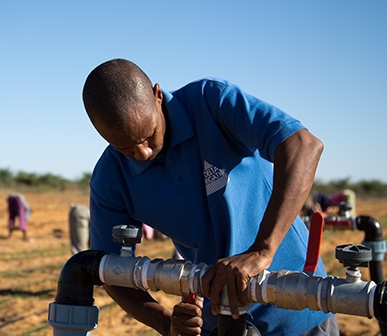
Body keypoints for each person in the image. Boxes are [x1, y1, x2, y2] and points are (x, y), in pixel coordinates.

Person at [82, 59, 338, 336]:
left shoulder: (210, 102)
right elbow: (111, 272)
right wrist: (166, 323)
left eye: (148, 136)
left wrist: (262, 250)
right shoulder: (110, 177)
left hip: (298, 307)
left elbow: (302, 145)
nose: (143, 153)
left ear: (157, 95)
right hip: (220, 320)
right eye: (125, 147)